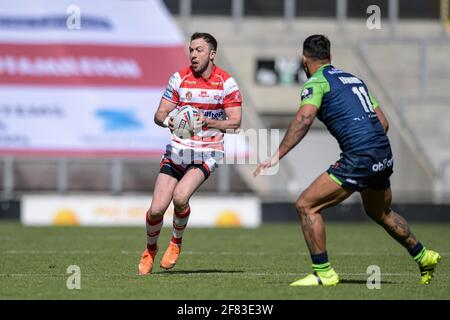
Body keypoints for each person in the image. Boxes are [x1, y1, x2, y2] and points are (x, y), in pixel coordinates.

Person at [253, 34, 441, 286]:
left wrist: (276, 155)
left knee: (306, 205)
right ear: (330, 57)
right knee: (380, 212)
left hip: (360, 156)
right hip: (382, 153)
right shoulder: (355, 80)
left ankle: (324, 273)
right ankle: (423, 255)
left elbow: (304, 119)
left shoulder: (317, 82)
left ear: (304, 60)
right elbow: (382, 122)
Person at [138, 32, 242, 275]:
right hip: (178, 151)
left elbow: (236, 122)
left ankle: (175, 243)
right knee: (156, 210)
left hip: (207, 152)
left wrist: (205, 121)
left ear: (212, 54)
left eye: (199, 50)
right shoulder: (179, 79)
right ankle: (150, 250)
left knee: (181, 197)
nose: (193, 55)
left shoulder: (226, 83)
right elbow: (159, 114)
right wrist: (170, 122)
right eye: (191, 50)